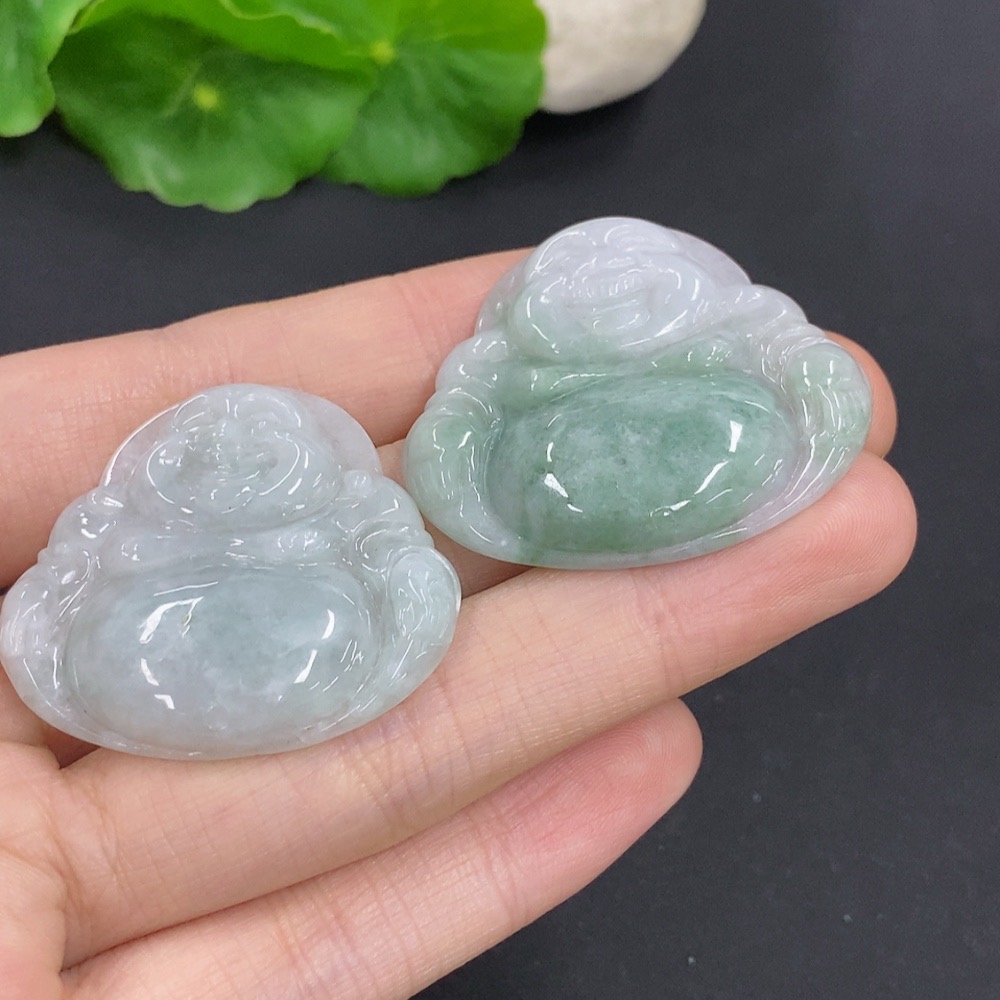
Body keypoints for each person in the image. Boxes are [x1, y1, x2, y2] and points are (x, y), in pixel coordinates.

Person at [0, 250, 915, 999]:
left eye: (258, 449)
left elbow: (402, 540)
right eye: (208, 451)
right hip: (154, 623)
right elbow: (68, 582)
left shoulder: (717, 348)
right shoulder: (126, 529)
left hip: (343, 592)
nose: (236, 459)